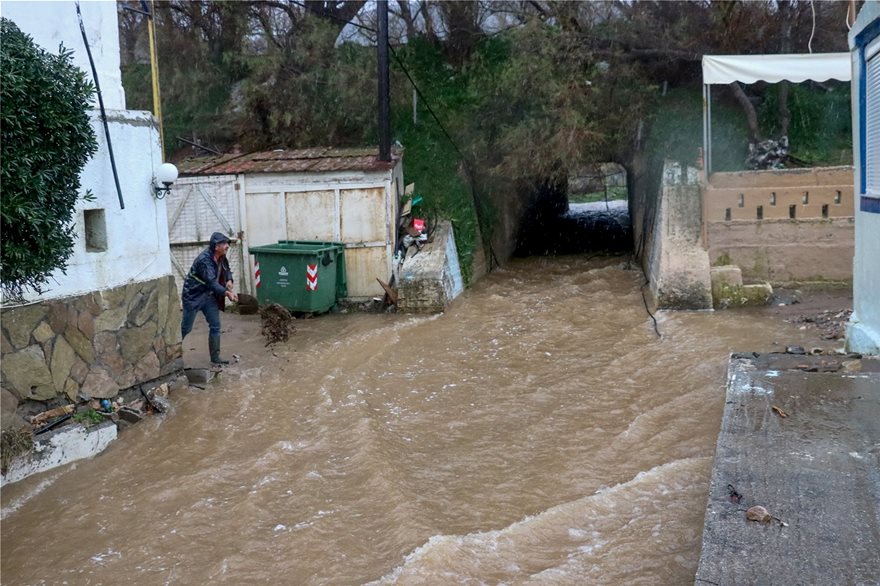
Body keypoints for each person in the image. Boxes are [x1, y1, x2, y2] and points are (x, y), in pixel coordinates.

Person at [181, 232, 238, 365]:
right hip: (193, 296)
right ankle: (173, 355)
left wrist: (229, 279)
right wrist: (227, 293)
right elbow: (212, 282)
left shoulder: (222, 256)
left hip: (208, 295)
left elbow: (227, 269)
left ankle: (215, 357)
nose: (227, 246)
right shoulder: (204, 260)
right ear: (216, 246)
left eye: (227, 243)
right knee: (186, 328)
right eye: (224, 244)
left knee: (215, 326)